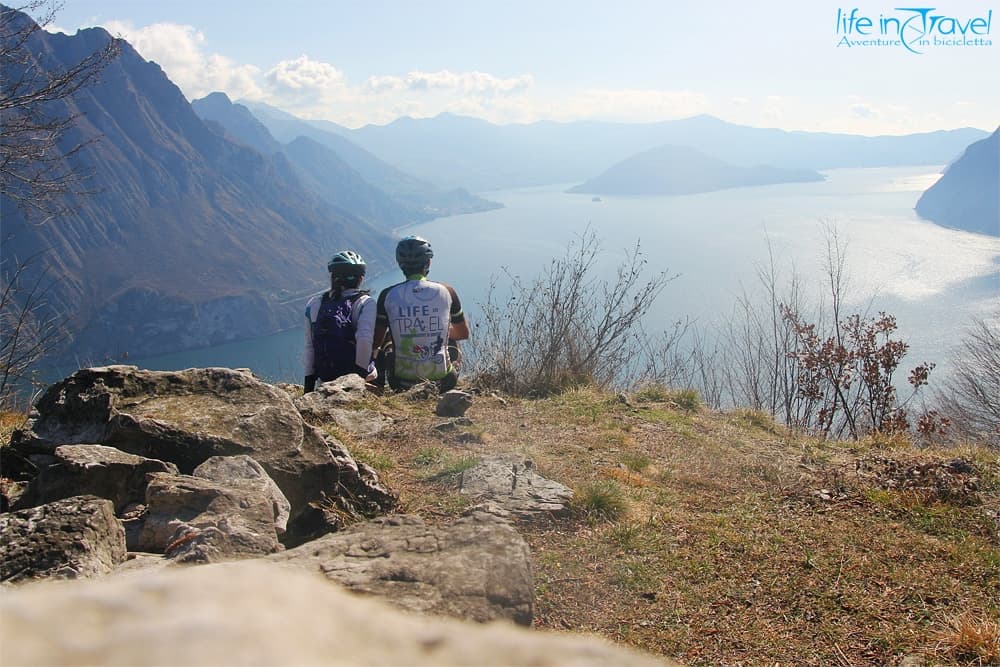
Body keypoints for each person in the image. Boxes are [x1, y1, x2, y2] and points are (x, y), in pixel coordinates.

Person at [373, 236, 469, 391]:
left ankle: (377, 386)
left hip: (400, 383)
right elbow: (463, 333)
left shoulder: (387, 295)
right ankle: (445, 370)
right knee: (449, 337)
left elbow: (375, 342)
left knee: (386, 339)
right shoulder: (447, 291)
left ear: (400, 264)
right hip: (445, 382)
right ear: (429, 262)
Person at [303, 250, 377, 393]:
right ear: (360, 278)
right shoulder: (365, 303)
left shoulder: (314, 303)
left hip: (325, 380)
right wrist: (358, 380)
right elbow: (364, 339)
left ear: (333, 277)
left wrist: (308, 389)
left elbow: (310, 346)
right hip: (357, 379)